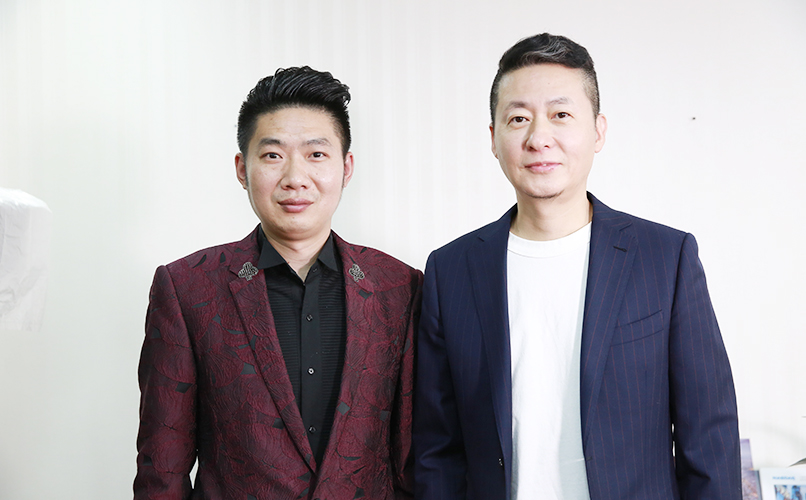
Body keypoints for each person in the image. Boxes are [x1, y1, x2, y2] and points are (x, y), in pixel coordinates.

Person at [413, 33, 740, 500]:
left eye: (561, 115)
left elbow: (709, 436)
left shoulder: (665, 258)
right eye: (518, 118)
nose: (538, 138)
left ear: (598, 131)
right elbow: (437, 449)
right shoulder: (451, 271)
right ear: (494, 139)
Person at [135, 66, 422, 500]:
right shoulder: (187, 288)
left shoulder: (398, 288)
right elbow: (162, 469)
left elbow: (413, 459)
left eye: (316, 154)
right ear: (242, 168)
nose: (295, 177)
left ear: (346, 167)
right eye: (272, 155)